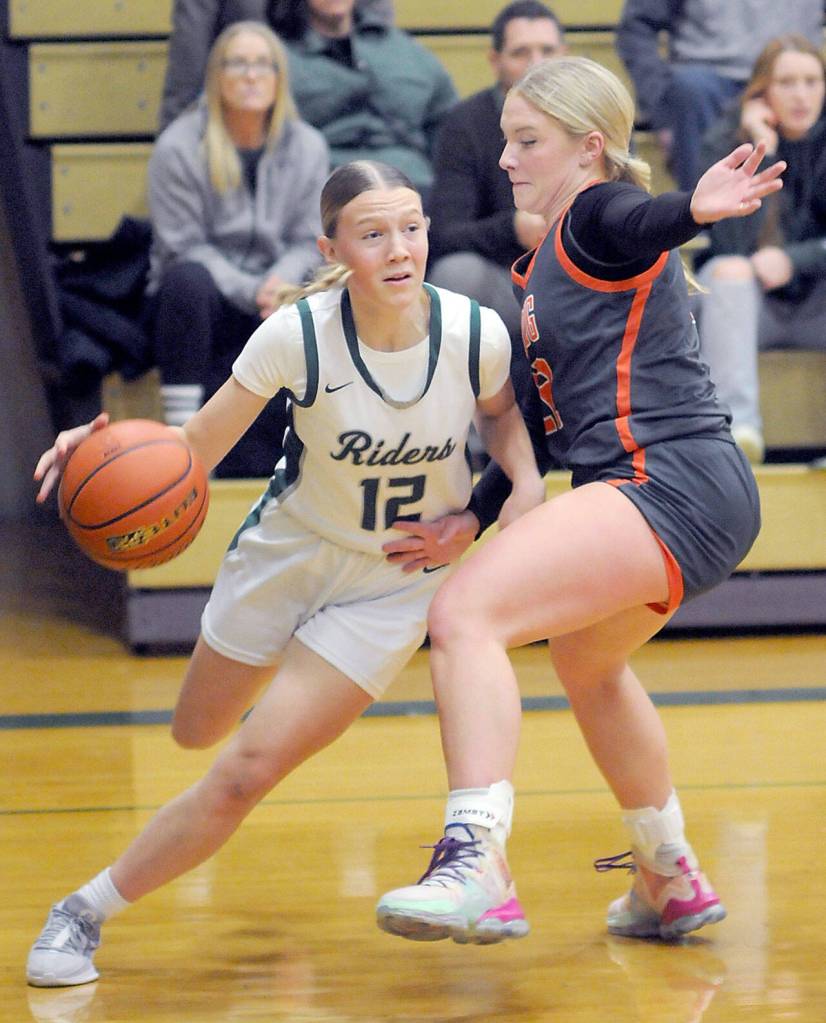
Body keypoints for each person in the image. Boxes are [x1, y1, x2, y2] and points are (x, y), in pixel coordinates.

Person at [26, 159, 544, 988]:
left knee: (241, 773)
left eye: (411, 226)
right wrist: (97, 451)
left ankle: (81, 912)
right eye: (373, 233)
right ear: (332, 245)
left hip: (390, 583)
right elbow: (190, 452)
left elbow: (500, 412)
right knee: (195, 730)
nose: (399, 247)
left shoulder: (474, 329)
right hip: (289, 555)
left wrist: (511, 488)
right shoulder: (296, 334)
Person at [375, 56, 784, 945]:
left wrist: (691, 211)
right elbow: (535, 416)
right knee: (586, 663)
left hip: (664, 477)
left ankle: (476, 860)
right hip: (692, 489)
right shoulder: (546, 263)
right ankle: (666, 872)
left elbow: (642, 218)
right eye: (507, 139)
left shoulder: (598, 215)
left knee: (465, 613)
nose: (508, 158)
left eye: (528, 142)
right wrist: (473, 516)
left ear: (588, 149)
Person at [147, 21, 328, 477]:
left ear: (279, 77)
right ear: (216, 76)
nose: (251, 75)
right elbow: (181, 244)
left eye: (263, 65)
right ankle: (183, 445)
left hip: (277, 297)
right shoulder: (178, 146)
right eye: (238, 64)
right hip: (202, 306)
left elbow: (310, 237)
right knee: (185, 278)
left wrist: (282, 283)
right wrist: (252, 289)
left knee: (328, 287)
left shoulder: (307, 146)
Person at [695, 34, 826, 465]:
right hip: (749, 308)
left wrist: (794, 260)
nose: (801, 95)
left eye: (812, 81)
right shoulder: (727, 144)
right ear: (762, 91)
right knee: (729, 270)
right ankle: (738, 431)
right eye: (787, 82)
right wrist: (759, 148)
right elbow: (727, 243)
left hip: (815, 305)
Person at [428, 1, 566, 399]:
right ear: (495, 60)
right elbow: (446, 233)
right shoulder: (466, 123)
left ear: (566, 55)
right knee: (455, 275)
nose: (536, 63)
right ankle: (462, 439)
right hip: (504, 282)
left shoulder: (594, 118)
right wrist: (513, 227)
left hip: (581, 276)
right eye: (521, 52)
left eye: (547, 51)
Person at [615, 0, 822, 192]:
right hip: (707, 86)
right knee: (690, 89)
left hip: (790, 73)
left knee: (807, 87)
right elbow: (637, 27)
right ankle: (701, 219)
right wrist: (662, 103)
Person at [267, 0, 458, 197]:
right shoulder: (277, 57)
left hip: (415, 183)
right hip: (325, 186)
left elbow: (448, 123)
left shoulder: (406, 51)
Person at [159, 0, 395, 130]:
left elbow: (375, 41)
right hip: (250, 113)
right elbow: (188, 64)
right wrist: (174, 146)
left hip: (339, 113)